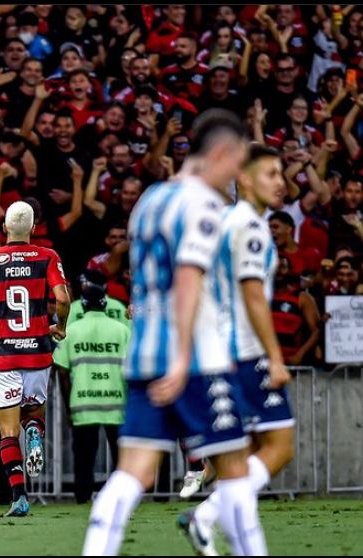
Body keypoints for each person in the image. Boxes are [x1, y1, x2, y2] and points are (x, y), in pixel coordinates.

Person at [82, 109, 267, 556]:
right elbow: (188, 277)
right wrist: (184, 356)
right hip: (194, 357)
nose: (235, 177)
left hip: (144, 353)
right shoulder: (201, 204)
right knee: (235, 470)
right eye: (236, 164)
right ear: (220, 153)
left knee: (134, 472)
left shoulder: (150, 200)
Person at [180, 143, 295, 555]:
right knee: (280, 445)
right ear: (244, 179)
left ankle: (217, 526)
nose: (280, 183)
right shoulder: (250, 225)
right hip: (244, 353)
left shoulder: (224, 221)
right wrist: (275, 357)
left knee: (238, 459)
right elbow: (252, 294)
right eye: (271, 174)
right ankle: (207, 517)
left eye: (281, 174)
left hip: (215, 351)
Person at [0, 200, 70, 517]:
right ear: (33, 228)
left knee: (8, 432)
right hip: (37, 351)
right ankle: (35, 428)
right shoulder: (47, 256)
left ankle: (19, 496)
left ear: (5, 228)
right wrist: (60, 326)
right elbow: (63, 298)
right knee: (32, 414)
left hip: (3, 355)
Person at [54, 270, 129, 504]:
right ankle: (122, 499)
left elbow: (63, 372)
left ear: (83, 306)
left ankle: (82, 498)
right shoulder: (122, 330)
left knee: (83, 458)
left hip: (83, 402)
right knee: (121, 458)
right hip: (116, 402)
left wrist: (68, 406)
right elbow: (130, 371)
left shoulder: (72, 331)